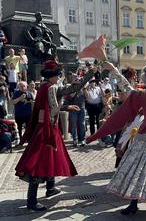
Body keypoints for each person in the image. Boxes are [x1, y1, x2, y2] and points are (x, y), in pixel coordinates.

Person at [86, 64, 146, 215]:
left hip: (144, 135)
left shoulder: (141, 95)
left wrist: (113, 69)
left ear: (145, 80)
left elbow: (125, 86)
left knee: (138, 170)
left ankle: (133, 204)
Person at [15, 60, 97, 211]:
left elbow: (48, 107)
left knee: (51, 158)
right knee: (38, 163)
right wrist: (91, 73)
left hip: (44, 126)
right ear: (53, 75)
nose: (59, 77)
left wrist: (66, 106)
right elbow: (74, 88)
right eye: (58, 75)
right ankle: (31, 202)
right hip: (47, 129)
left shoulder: (43, 86)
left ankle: (51, 188)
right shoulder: (51, 87)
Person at [63, 75, 86, 147]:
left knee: (82, 124)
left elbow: (87, 97)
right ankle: (75, 140)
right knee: (74, 125)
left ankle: (82, 140)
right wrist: (74, 90)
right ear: (73, 80)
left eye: (78, 80)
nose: (77, 81)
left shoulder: (82, 88)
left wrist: (85, 89)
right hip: (73, 109)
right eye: (75, 80)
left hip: (81, 108)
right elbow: (68, 97)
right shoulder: (70, 88)